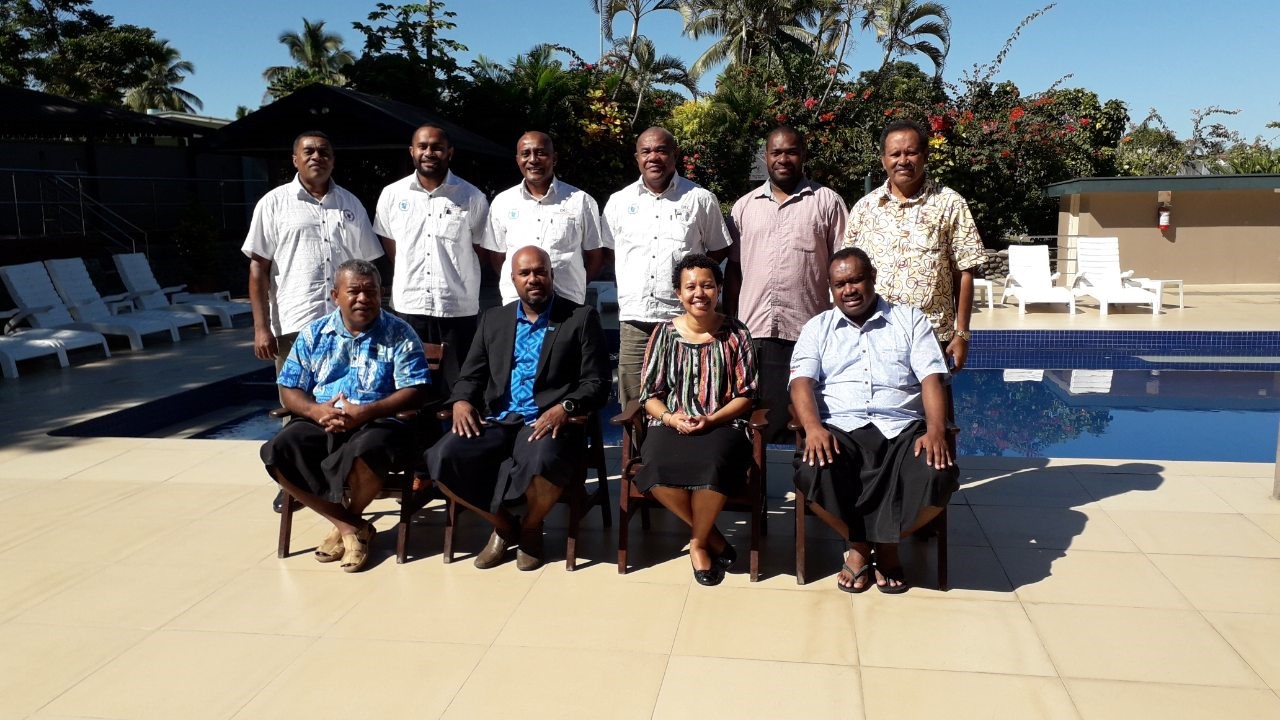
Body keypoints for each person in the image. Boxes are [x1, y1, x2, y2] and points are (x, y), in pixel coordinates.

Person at [425, 246, 610, 571]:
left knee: (544, 460)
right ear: (513, 279)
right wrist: (462, 401)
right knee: (442, 457)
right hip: (497, 419)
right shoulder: (494, 319)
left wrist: (565, 406)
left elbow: (596, 382)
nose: (533, 279)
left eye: (540, 271)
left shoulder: (579, 318)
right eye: (525, 273)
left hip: (546, 422)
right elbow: (470, 375)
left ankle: (530, 529)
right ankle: (504, 525)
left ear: (551, 275)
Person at [790, 247, 958, 594]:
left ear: (873, 278)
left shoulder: (909, 320)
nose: (848, 290)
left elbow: (931, 378)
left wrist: (936, 430)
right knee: (812, 470)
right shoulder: (817, 328)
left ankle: (882, 547)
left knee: (938, 474)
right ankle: (865, 546)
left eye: (855, 280)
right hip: (840, 429)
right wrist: (813, 428)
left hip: (902, 430)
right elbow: (801, 383)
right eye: (840, 284)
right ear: (831, 288)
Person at [241, 130, 384, 512]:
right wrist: (261, 327)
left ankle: (341, 474)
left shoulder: (350, 205)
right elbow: (258, 269)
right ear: (295, 159)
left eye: (324, 151)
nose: (316, 156)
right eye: (308, 151)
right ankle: (292, 482)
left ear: (333, 159)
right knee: (296, 405)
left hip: (347, 328)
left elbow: (367, 268)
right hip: (295, 325)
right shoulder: (273, 204)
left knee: (347, 398)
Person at [259, 259, 430, 573]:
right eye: (354, 291)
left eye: (371, 291)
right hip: (322, 418)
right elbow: (289, 388)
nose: (363, 298)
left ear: (381, 294)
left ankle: (345, 526)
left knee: (368, 449)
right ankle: (351, 527)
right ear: (335, 295)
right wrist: (316, 410)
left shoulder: (399, 333)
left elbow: (416, 390)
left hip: (378, 420)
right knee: (277, 450)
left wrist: (365, 412)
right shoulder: (314, 333)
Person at [634, 253, 758, 586]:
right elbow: (648, 395)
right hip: (671, 422)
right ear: (679, 293)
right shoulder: (663, 333)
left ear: (719, 289)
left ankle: (698, 543)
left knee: (713, 466)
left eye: (707, 285)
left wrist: (713, 419)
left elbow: (747, 393)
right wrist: (671, 419)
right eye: (690, 287)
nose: (699, 293)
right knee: (655, 470)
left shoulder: (737, 332)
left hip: (722, 423)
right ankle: (712, 537)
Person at [725, 126, 847, 443]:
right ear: (765, 157)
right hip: (754, 332)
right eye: (776, 152)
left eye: (791, 152)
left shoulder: (828, 203)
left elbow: (843, 269)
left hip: (809, 331)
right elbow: (734, 270)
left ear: (803, 155)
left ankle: (808, 473)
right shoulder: (743, 207)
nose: (783, 159)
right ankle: (756, 477)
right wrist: (729, 323)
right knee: (754, 423)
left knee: (809, 420)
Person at [601, 126, 733, 409]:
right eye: (646, 151)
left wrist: (692, 283)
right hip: (635, 319)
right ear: (637, 158)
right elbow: (610, 251)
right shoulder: (619, 202)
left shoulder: (700, 199)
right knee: (633, 403)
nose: (653, 157)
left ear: (674, 155)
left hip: (683, 319)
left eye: (661, 150)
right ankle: (637, 441)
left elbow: (718, 248)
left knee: (687, 397)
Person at [843, 119, 985, 370]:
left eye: (911, 152)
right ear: (883, 160)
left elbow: (965, 271)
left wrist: (962, 333)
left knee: (935, 397)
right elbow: (848, 275)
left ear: (925, 155)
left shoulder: (950, 203)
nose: (903, 160)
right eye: (895, 154)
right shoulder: (865, 208)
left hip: (931, 335)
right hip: (874, 334)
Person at [373, 123, 490, 395]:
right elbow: (392, 246)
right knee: (409, 389)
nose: (429, 152)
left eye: (437, 147)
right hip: (409, 307)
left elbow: (481, 251)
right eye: (422, 146)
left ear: (450, 152)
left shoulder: (472, 197)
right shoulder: (392, 195)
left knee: (459, 389)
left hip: (456, 309)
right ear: (412, 151)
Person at [482, 131, 605, 305]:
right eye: (526, 154)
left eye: (540, 153)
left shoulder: (581, 201)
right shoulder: (502, 202)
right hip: (517, 303)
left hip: (567, 302)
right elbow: (497, 256)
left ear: (554, 158)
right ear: (517, 159)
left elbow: (595, 256)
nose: (533, 160)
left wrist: (575, 287)